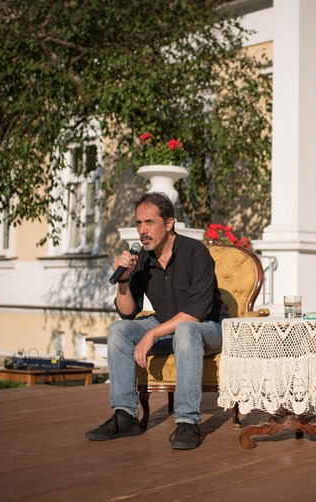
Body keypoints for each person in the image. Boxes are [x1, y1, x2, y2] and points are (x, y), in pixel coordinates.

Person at [85, 192, 229, 450]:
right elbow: (127, 311)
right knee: (119, 330)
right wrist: (123, 280)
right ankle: (125, 415)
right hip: (167, 325)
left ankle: (187, 421)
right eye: (139, 223)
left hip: (209, 327)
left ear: (169, 223)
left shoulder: (195, 252)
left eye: (149, 222)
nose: (143, 230)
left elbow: (195, 312)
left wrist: (151, 334)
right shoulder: (142, 259)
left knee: (186, 330)